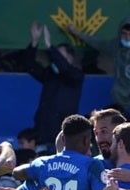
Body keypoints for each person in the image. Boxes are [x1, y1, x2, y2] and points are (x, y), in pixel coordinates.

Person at [68, 18, 130, 131]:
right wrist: (78, 34)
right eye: (124, 34)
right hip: (119, 103)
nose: (127, 37)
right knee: (117, 137)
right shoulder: (116, 47)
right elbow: (99, 44)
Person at [21, 21, 84, 153]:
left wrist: (50, 46)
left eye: (60, 56)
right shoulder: (50, 74)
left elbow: (64, 68)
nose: (55, 59)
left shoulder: (75, 75)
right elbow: (29, 65)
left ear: (71, 58)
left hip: (63, 137)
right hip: (43, 133)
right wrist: (34, 42)